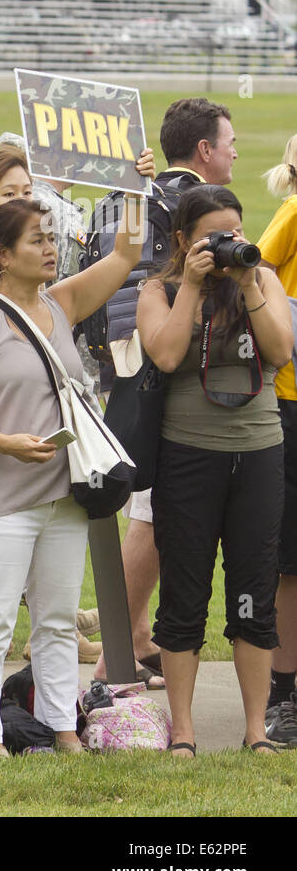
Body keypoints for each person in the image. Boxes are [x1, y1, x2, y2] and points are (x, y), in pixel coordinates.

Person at [0, 147, 153, 756]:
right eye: (36, 240)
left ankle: (64, 730)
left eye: (51, 239)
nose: (50, 247)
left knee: (58, 622)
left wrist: (133, 189)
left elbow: (126, 254)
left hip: (67, 495)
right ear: (3, 255)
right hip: (3, 497)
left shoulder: (61, 306)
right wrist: (5, 443)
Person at [86, 98, 237, 687]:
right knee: (149, 515)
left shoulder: (127, 192)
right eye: (229, 143)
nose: (233, 153)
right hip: (164, 373)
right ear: (204, 150)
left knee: (141, 509)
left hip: (117, 362)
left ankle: (137, 641)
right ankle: (110, 663)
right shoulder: (191, 205)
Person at [140, 186, 292, 756]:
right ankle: (183, 730)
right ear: (182, 240)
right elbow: (168, 355)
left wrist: (250, 282)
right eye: (215, 236)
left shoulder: (264, 280)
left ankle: (256, 730)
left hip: (258, 452)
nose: (231, 245)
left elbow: (280, 350)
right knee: (184, 592)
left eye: (237, 232)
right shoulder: (162, 289)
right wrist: (196, 287)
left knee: (254, 590)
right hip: (187, 456)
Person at [257, 134, 297, 747]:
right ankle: (283, 695)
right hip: (290, 400)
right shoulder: (294, 212)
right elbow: (252, 266)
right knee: (288, 562)